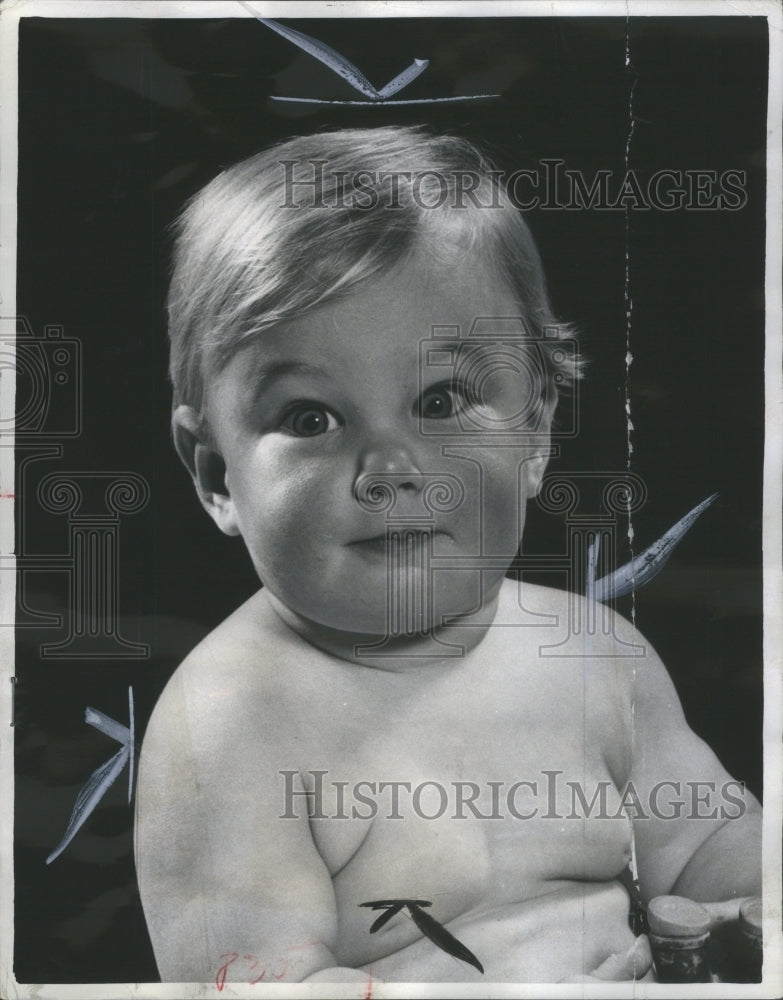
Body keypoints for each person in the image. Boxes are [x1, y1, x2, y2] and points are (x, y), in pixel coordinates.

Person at [134, 126, 761, 985]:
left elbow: (718, 844)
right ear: (215, 474)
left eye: (441, 399)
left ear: (534, 433)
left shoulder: (593, 657)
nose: (390, 469)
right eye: (312, 418)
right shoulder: (231, 726)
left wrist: (755, 916)